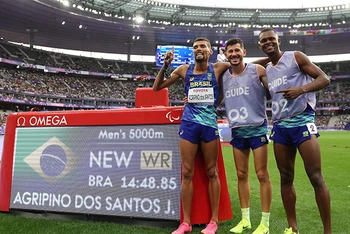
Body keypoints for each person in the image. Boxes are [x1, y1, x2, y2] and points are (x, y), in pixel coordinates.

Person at [153, 37, 231, 234]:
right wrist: (165, 65)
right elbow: (157, 88)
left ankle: (213, 222)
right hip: (189, 124)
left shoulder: (219, 67)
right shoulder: (183, 70)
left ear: (210, 51)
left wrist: (217, 99)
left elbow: (239, 68)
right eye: (195, 47)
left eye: (203, 46)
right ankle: (185, 223)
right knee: (187, 172)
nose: (199, 49)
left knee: (212, 171)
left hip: (209, 125)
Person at [258, 28, 331, 234]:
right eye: (264, 41)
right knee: (285, 177)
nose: (268, 42)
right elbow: (247, 69)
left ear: (278, 41)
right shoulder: (266, 70)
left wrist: (301, 90)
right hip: (280, 126)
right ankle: (293, 228)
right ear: (260, 45)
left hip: (302, 121)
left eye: (271, 39)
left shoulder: (295, 57)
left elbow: (324, 79)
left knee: (315, 176)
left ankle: (328, 231)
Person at [220, 38, 272, 234]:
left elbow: (271, 91)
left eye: (236, 50)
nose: (233, 54)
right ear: (226, 55)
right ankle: (245, 220)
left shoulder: (257, 71)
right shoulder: (224, 76)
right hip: (237, 130)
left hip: (257, 127)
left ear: (244, 52)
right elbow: (215, 99)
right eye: (230, 51)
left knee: (262, 175)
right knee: (241, 175)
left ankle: (264, 224)